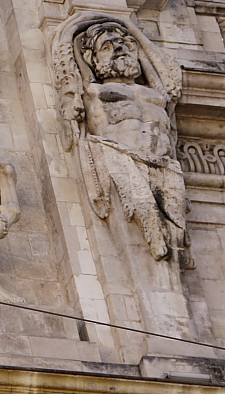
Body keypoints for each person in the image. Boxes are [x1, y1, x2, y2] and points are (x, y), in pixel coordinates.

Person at [77, 21, 191, 267]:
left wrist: (134, 32)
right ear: (92, 57)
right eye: (107, 47)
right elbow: (74, 63)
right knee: (147, 221)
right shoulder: (93, 90)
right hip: (122, 157)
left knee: (177, 235)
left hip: (164, 164)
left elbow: (168, 75)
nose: (119, 50)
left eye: (124, 45)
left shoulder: (156, 92)